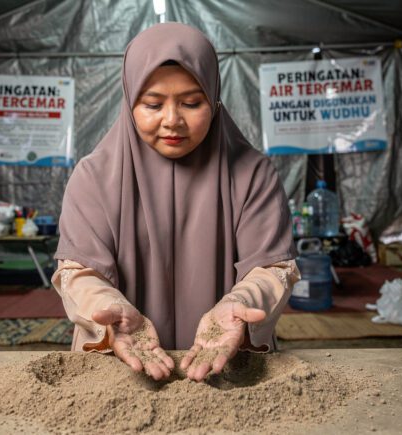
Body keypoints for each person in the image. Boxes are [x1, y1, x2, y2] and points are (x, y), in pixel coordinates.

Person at [51, 23, 299, 382]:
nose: (172, 121)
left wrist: (241, 303)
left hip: (229, 368)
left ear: (213, 98)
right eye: (152, 104)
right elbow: (79, 272)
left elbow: (271, 267)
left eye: (191, 102)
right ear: (130, 99)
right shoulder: (93, 178)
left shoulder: (252, 174)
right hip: (120, 370)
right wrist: (107, 308)